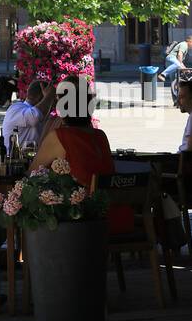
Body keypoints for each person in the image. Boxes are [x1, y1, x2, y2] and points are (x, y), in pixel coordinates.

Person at [32, 77, 132, 235]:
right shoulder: (100, 136)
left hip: (82, 222)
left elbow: (31, 174)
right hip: (114, 215)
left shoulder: (59, 137)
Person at [1, 78, 57, 152]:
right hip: (14, 160)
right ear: (40, 97)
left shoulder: (43, 113)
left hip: (30, 158)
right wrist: (49, 96)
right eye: (52, 98)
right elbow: (34, 117)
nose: (52, 102)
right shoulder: (16, 108)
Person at [159, 35, 192, 100]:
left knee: (174, 82)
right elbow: (179, 55)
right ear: (190, 41)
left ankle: (176, 101)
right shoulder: (184, 44)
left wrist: (185, 68)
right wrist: (182, 67)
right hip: (171, 59)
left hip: (171, 63)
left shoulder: (184, 46)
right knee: (178, 67)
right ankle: (163, 74)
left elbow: (180, 61)